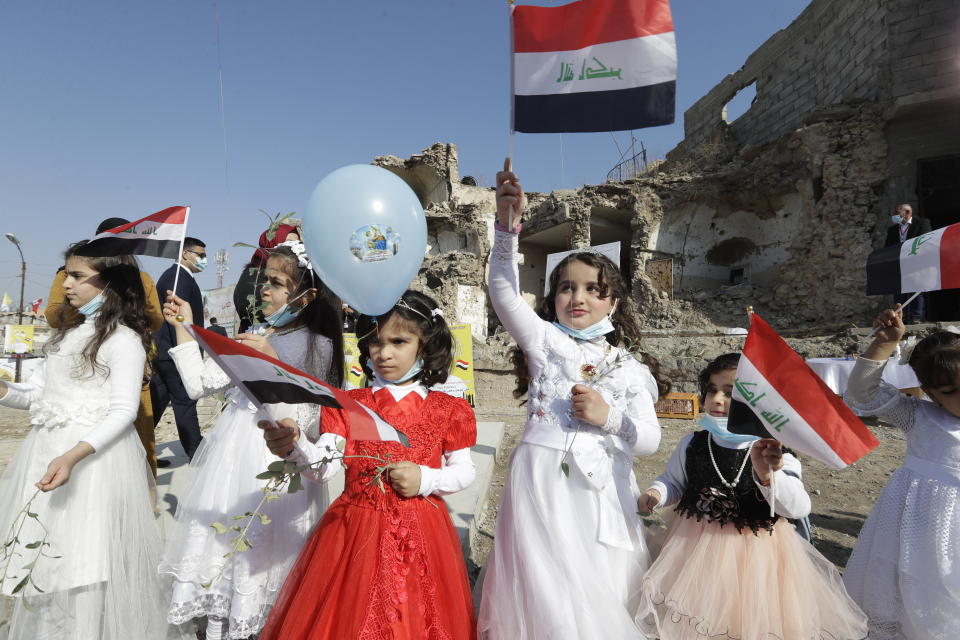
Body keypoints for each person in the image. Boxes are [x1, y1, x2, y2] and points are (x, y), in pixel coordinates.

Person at [477, 160, 668, 640]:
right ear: (552, 297)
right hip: (543, 479)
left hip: (605, 489)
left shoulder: (631, 368)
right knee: (546, 584)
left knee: (601, 580)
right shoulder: (544, 342)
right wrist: (506, 228)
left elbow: (649, 440)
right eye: (565, 287)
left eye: (591, 289)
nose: (576, 297)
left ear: (613, 303)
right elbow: (502, 291)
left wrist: (611, 419)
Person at [257, 290, 477, 640]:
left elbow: (465, 470)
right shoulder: (349, 404)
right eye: (374, 342)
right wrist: (296, 445)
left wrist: (426, 478)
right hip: (353, 530)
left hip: (421, 532)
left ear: (426, 345)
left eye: (399, 341)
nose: (383, 352)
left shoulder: (449, 409)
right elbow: (323, 469)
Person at [158, 241, 344, 640]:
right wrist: (184, 327)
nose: (265, 290)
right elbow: (197, 385)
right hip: (231, 465)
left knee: (260, 570)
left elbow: (300, 418)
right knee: (224, 562)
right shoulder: (255, 333)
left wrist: (270, 360)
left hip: (277, 468)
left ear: (306, 295)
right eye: (265, 281)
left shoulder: (319, 346)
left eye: (277, 283)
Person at [635, 353, 867, 640]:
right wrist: (657, 493)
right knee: (695, 617)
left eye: (730, 393)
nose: (717, 400)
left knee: (750, 621)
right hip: (693, 552)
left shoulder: (775, 454)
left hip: (757, 559)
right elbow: (674, 481)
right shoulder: (692, 444)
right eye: (712, 390)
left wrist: (769, 476)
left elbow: (797, 507)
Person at [0, 242, 167, 639]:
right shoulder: (67, 335)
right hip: (47, 455)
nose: (66, 283)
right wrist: (6, 392)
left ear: (110, 283)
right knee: (48, 563)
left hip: (90, 464)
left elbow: (123, 411)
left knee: (84, 563)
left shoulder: (122, 340)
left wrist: (74, 456)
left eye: (77, 275)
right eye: (66, 273)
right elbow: (43, 396)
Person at [842, 307, 960, 639]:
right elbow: (862, 394)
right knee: (917, 598)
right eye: (949, 392)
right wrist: (883, 344)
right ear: (930, 393)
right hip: (917, 535)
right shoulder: (918, 417)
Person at [45, 217, 166, 477]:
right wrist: (93, 317)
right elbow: (53, 314)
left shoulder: (141, 279)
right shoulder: (68, 276)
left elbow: (156, 320)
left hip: (129, 370)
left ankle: (144, 497)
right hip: (82, 369)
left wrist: (130, 308)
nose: (69, 284)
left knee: (139, 443)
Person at [151, 236, 207, 463]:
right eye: (200, 255)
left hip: (164, 351)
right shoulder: (178, 277)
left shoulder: (179, 276)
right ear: (185, 254)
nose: (203, 260)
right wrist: (185, 350)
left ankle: (140, 450)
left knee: (157, 402)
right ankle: (197, 452)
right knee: (185, 400)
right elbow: (179, 316)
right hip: (174, 351)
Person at [233, 223, 300, 333]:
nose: (295, 249)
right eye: (290, 243)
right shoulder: (256, 278)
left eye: (298, 244)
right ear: (273, 244)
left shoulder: (258, 271)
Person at [884, 203, 932, 323]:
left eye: (897, 213)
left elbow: (925, 240)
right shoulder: (892, 230)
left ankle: (916, 317)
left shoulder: (922, 223)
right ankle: (901, 317)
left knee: (916, 289)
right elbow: (887, 247)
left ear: (907, 213)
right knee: (899, 291)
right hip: (899, 264)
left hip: (916, 262)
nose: (894, 216)